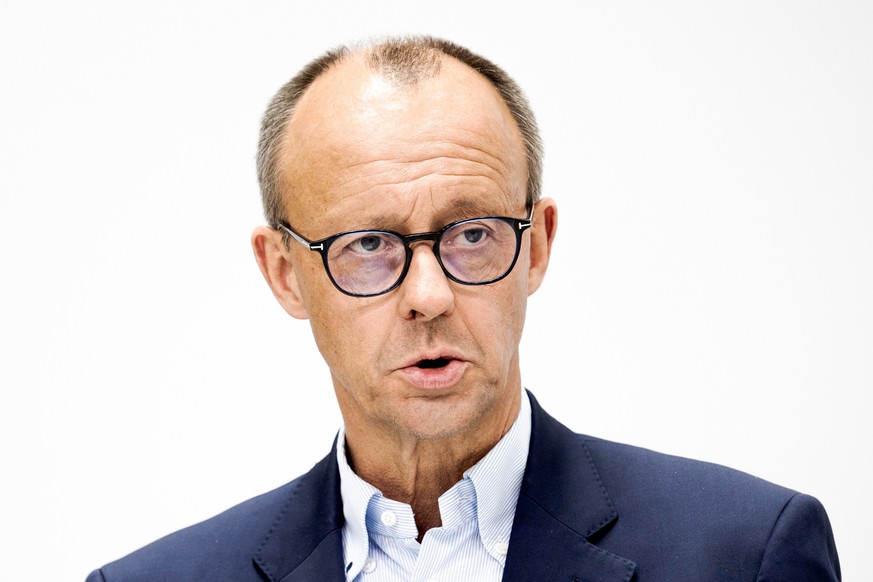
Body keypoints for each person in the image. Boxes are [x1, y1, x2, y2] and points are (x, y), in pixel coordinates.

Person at [87, 35, 841, 581]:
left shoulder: (742, 553)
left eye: (472, 234)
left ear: (538, 244)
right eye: (367, 244)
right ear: (284, 274)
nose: (428, 296)